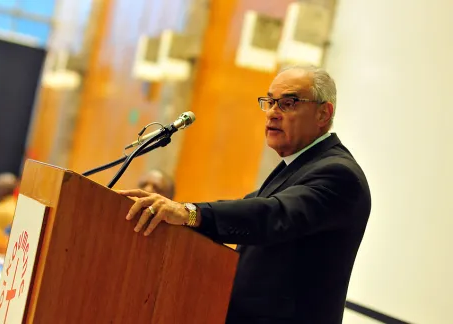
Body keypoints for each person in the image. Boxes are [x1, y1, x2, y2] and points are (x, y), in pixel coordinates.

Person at [117, 65, 371, 324]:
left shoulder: (338, 174)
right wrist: (179, 214)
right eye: (270, 102)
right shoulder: (297, 167)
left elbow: (272, 215)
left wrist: (189, 213)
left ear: (323, 113)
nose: (272, 113)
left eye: (287, 103)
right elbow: (247, 206)